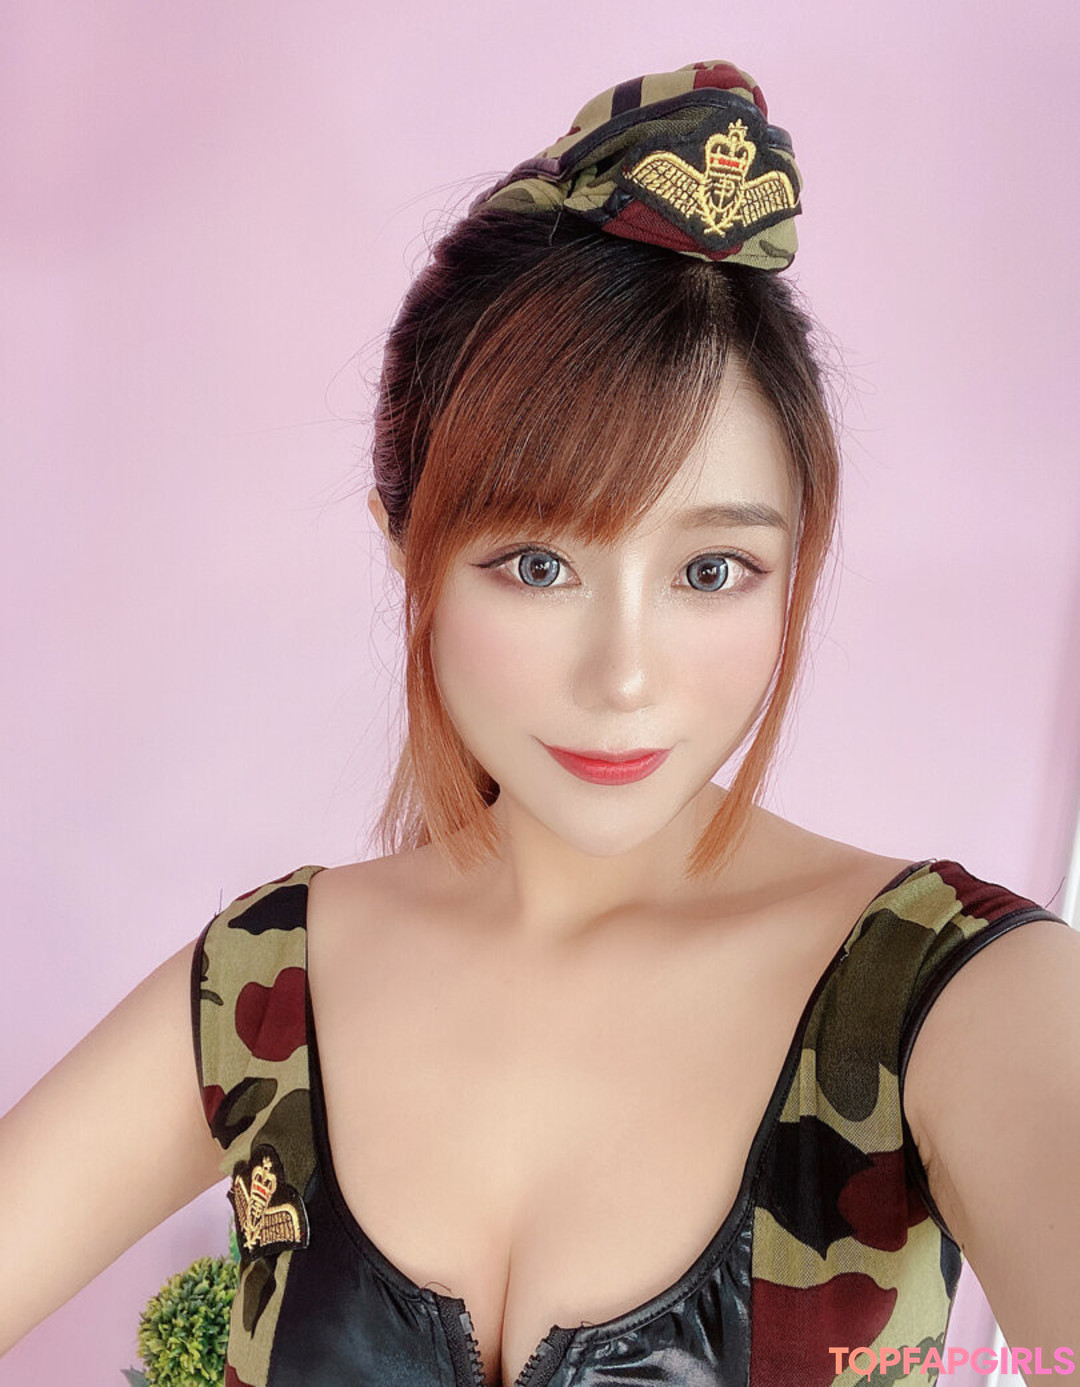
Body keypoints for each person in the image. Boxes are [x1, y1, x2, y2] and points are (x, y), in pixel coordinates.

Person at [1, 58, 1077, 1387]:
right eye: (539, 564)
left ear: (796, 560)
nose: (625, 678)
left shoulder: (957, 999)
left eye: (711, 571)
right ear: (407, 543)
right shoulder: (267, 989)